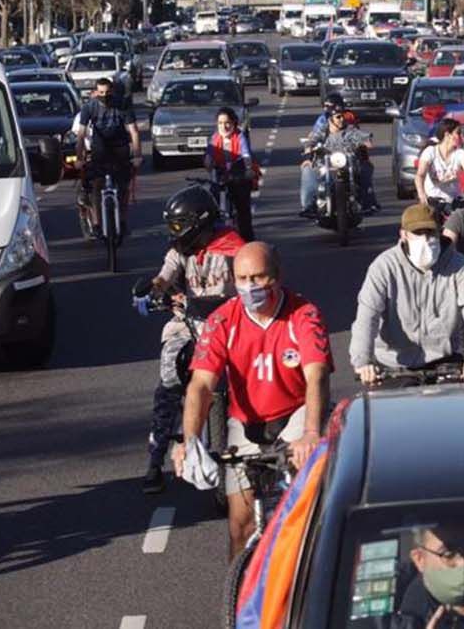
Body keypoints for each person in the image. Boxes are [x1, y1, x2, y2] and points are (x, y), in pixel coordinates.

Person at [172, 242, 332, 558]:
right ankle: (240, 598)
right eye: (242, 278)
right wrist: (190, 441)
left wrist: (311, 433)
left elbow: (317, 376)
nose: (249, 286)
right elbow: (201, 386)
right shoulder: (222, 321)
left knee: (305, 512)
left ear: (277, 276)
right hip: (245, 423)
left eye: (258, 278)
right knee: (240, 525)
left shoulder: (304, 314)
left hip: (295, 416)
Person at [132, 187, 245, 494]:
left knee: (256, 368)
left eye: (179, 226)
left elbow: (252, 275)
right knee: (169, 371)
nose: (175, 233)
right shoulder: (180, 253)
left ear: (200, 223)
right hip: (188, 322)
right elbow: (164, 275)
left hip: (229, 325)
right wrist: (155, 290)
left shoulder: (234, 248)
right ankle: (155, 458)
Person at [349, 204, 464, 385]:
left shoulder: (460, 266)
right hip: (396, 367)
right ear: (403, 235)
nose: (425, 239)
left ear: (440, 233)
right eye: (418, 233)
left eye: (431, 233)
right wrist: (363, 362)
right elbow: (367, 315)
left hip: (445, 363)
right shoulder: (383, 267)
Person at [76, 77, 140, 237]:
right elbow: (81, 134)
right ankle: (97, 224)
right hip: (100, 148)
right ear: (96, 92)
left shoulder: (122, 105)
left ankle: (123, 222)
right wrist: (79, 158)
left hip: (120, 147)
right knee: (97, 185)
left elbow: (134, 131)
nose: (104, 96)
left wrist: (137, 155)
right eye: (101, 92)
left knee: (123, 187)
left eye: (107, 92)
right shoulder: (89, 107)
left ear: (112, 91)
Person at [300, 109, 380, 216]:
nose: (341, 119)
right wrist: (309, 147)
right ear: (330, 119)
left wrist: (366, 140)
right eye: (338, 117)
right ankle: (309, 206)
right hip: (325, 164)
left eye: (343, 117)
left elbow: (360, 135)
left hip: (347, 163)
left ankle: (368, 203)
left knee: (365, 169)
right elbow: (312, 139)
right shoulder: (323, 131)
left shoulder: (350, 130)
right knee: (307, 170)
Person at [205, 107, 256, 241]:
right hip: (220, 175)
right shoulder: (215, 138)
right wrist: (208, 163)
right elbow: (209, 156)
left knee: (242, 209)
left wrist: (249, 169)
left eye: (227, 123)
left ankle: (247, 240)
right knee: (211, 205)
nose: (224, 126)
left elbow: (246, 155)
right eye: (220, 123)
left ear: (234, 123)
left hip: (238, 175)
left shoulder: (239, 137)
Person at [416, 118, 464, 217]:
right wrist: (422, 195)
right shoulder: (430, 152)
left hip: (454, 201)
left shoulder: (460, 154)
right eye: (458, 133)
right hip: (433, 201)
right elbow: (420, 175)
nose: (462, 137)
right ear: (447, 135)